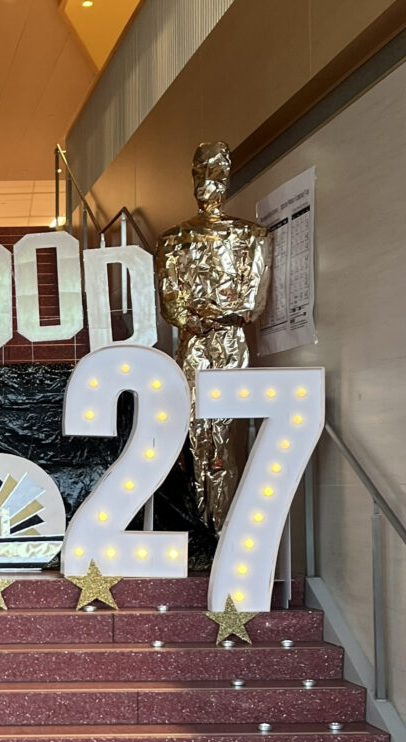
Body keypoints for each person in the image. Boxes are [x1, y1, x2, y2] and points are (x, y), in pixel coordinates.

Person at [156, 141, 272, 533]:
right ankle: (199, 525)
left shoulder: (252, 236)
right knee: (191, 433)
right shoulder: (172, 241)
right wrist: (196, 319)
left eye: (217, 173)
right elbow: (170, 304)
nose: (209, 182)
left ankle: (222, 528)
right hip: (193, 346)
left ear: (227, 177)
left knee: (224, 434)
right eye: (201, 173)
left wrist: (214, 315)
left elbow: (253, 302)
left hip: (229, 345)